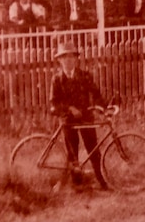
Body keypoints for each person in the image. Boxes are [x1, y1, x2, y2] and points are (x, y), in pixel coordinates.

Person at [49, 41, 109, 190]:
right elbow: (53, 104)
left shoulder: (84, 75)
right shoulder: (56, 79)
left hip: (85, 117)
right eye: (64, 57)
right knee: (72, 153)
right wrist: (69, 109)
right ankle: (77, 184)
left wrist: (104, 108)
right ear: (59, 60)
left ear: (76, 59)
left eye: (71, 57)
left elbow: (96, 94)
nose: (68, 60)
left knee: (93, 150)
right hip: (68, 120)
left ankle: (102, 181)